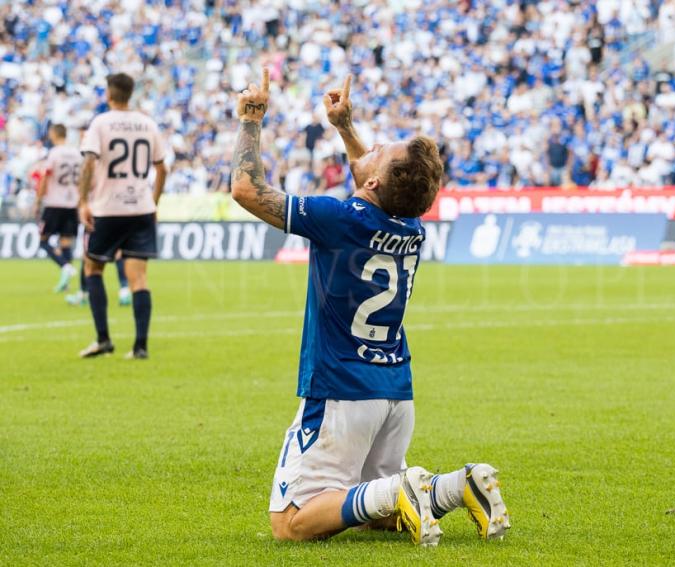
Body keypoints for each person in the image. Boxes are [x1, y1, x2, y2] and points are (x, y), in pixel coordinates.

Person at [230, 69, 510, 545]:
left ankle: (404, 486)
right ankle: (459, 485)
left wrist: (251, 118)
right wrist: (345, 126)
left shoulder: (337, 219)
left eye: (380, 149)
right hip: (395, 392)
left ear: (378, 179)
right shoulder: (411, 228)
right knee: (369, 504)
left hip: (341, 390)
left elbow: (246, 189)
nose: (371, 147)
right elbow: (381, 182)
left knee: (292, 522)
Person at [77, 73, 168, 359]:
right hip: (141, 208)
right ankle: (140, 346)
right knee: (138, 278)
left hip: (108, 208)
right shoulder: (147, 123)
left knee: (92, 269)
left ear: (108, 94)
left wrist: (82, 201)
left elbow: (89, 162)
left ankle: (103, 339)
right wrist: (153, 202)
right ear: (130, 94)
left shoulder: (100, 123)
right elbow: (162, 168)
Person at [36, 124, 81, 292]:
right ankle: (66, 281)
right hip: (72, 203)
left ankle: (64, 266)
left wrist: (38, 200)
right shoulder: (77, 153)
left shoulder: (54, 153)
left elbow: (45, 177)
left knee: (43, 241)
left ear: (54, 134)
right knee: (66, 242)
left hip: (54, 203)